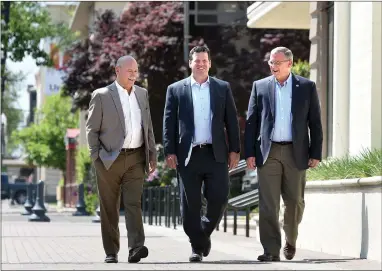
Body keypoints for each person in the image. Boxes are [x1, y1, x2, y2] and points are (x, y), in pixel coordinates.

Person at [163, 45, 241, 262]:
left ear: (210, 63)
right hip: (188, 155)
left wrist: (235, 149)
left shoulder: (221, 88)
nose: (201, 64)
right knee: (190, 206)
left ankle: (202, 233)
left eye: (205, 60)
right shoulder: (176, 89)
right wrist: (169, 151)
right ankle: (197, 248)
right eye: (197, 60)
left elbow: (231, 121)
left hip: (215, 153)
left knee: (219, 197)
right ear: (190, 63)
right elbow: (168, 123)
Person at [244, 47, 323, 262]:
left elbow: (315, 122)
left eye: (278, 62)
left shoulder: (306, 87)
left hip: (295, 152)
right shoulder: (260, 87)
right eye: (271, 62)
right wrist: (249, 153)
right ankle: (271, 250)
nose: (273, 66)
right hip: (267, 152)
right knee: (268, 203)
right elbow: (251, 123)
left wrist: (316, 152)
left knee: (295, 201)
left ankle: (291, 238)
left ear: (289, 63)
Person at [86, 55, 157, 264]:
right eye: (130, 71)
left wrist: (151, 153)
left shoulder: (142, 94)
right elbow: (91, 130)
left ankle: (136, 247)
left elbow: (148, 126)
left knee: (134, 203)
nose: (134, 75)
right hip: (108, 158)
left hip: (136, 156)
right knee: (109, 207)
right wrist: (96, 157)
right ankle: (111, 251)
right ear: (117, 70)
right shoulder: (101, 95)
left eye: (136, 71)